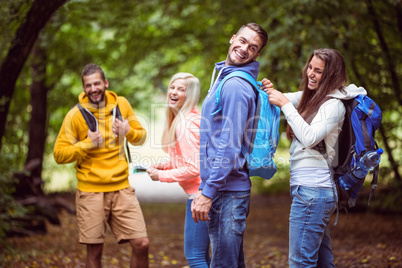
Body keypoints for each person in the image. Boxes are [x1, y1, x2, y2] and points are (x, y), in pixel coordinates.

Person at [261, 48, 367, 267]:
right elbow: (278, 98)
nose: (311, 73)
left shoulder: (334, 105)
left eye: (318, 71)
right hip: (312, 192)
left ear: (330, 75)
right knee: (322, 261)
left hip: (313, 191)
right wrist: (267, 91)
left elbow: (309, 137)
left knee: (300, 262)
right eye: (310, 67)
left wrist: (285, 105)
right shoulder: (311, 98)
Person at [53, 63, 149, 268]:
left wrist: (128, 131)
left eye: (97, 83)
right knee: (95, 252)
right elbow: (59, 154)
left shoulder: (122, 105)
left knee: (142, 243)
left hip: (122, 189)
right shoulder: (75, 116)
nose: (93, 89)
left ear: (105, 83)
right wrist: (87, 144)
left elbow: (141, 137)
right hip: (91, 192)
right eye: (88, 85)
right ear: (84, 88)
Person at [191, 22, 268, 267]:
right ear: (233, 38)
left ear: (257, 55)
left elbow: (229, 144)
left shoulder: (235, 85)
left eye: (253, 47)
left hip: (227, 191)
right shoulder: (226, 77)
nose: (245, 49)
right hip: (226, 190)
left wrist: (208, 191)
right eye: (243, 41)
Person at [146, 73, 210, 267]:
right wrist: (164, 164)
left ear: (190, 94)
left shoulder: (185, 123)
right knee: (204, 256)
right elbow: (192, 158)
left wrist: (161, 176)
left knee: (195, 256)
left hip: (200, 196)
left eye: (181, 89)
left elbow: (193, 168)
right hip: (207, 194)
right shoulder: (193, 117)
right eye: (172, 87)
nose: (174, 92)